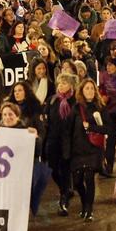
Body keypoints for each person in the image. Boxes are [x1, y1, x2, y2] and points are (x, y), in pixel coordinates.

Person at [66, 79, 108, 221]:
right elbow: (69, 129)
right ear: (82, 92)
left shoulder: (100, 107)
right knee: (77, 182)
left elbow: (107, 128)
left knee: (89, 179)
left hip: (93, 149)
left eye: (91, 88)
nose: (89, 91)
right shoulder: (76, 108)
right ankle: (84, 203)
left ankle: (89, 210)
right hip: (78, 150)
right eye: (86, 89)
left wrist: (91, 127)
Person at [44, 73, 78, 216]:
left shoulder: (75, 102)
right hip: (52, 140)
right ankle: (65, 190)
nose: (60, 86)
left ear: (71, 86)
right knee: (52, 169)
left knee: (65, 169)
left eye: (64, 83)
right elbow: (46, 121)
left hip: (67, 142)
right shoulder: (52, 100)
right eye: (59, 83)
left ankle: (63, 200)